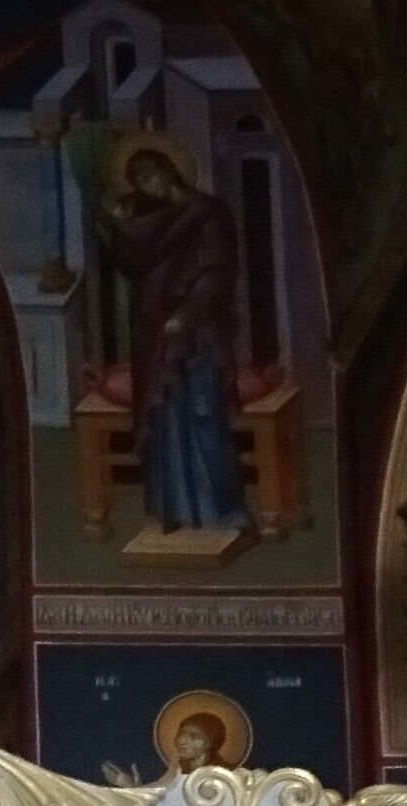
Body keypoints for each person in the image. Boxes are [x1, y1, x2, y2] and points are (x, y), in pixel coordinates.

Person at [97, 141, 248, 539]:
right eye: (139, 181)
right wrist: (117, 224)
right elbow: (131, 262)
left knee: (203, 415)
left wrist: (187, 314)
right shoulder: (146, 222)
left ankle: (224, 509)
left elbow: (217, 271)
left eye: (151, 174)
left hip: (198, 333)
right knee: (165, 420)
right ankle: (174, 508)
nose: (149, 185)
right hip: (154, 334)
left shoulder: (208, 214)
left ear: (169, 169)